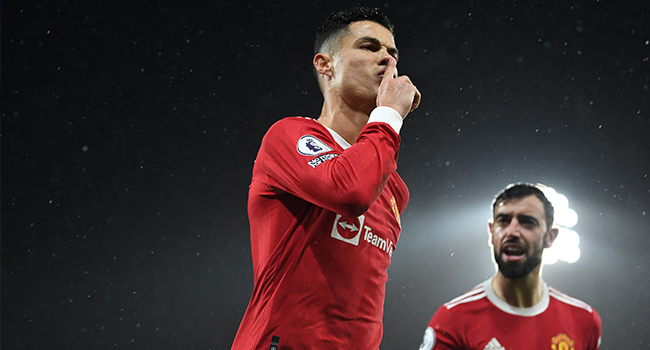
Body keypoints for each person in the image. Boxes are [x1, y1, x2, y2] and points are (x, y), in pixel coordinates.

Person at [231, 6, 421, 350]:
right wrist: (389, 114)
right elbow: (349, 191)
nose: (387, 60)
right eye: (369, 47)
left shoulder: (394, 188)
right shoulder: (288, 137)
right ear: (325, 64)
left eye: (392, 53)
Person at [418, 183, 602, 350]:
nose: (512, 232)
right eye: (503, 221)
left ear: (550, 237)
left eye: (527, 222)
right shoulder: (453, 319)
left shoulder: (583, 320)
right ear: (491, 232)